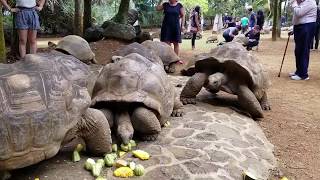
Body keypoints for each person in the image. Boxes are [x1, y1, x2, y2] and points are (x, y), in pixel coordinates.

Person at [289, 0, 317, 80]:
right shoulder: (301, 3)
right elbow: (296, 16)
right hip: (300, 26)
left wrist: (294, 4)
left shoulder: (310, 2)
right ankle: (299, 71)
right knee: (298, 50)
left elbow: (299, 13)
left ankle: (303, 74)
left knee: (303, 50)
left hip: (306, 26)